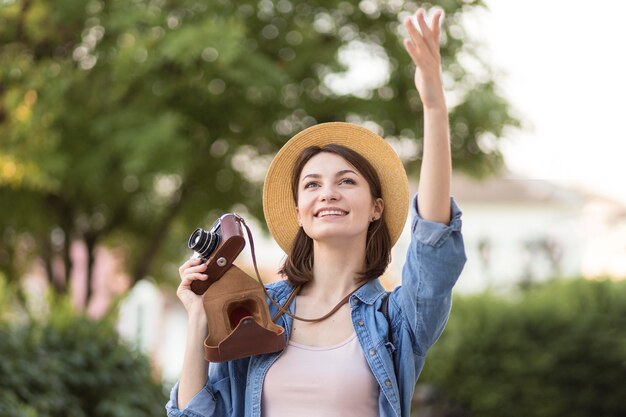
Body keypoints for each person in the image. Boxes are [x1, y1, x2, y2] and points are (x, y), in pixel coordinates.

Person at [167, 8, 466, 417]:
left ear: (376, 207)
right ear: (300, 212)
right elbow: (194, 414)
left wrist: (434, 108)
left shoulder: (396, 320)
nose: (328, 193)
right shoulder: (256, 310)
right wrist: (200, 319)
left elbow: (434, 242)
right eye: (312, 184)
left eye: (346, 181)